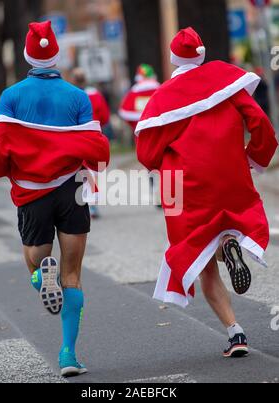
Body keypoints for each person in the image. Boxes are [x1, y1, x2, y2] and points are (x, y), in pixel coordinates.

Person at [136, 27, 278, 358]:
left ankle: (236, 333)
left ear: (173, 59)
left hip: (186, 187)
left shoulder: (163, 98)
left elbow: (146, 155)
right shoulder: (225, 84)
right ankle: (229, 241)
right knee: (229, 221)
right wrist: (254, 157)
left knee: (201, 257)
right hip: (229, 172)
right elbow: (261, 124)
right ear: (201, 54)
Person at [0, 21, 110, 377]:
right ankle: (68, 354)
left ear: (26, 55)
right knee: (73, 275)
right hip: (72, 191)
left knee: (36, 261)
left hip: (31, 194)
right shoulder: (78, 97)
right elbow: (97, 152)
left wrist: (11, 169)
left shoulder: (10, 97)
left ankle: (41, 278)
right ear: (56, 57)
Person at [71, 68, 111, 219]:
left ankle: (85, 202)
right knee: (93, 170)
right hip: (94, 136)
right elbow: (105, 116)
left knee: (81, 170)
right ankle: (92, 205)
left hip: (77, 137)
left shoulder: (71, 95)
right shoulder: (96, 96)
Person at [119, 64, 160, 133]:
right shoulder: (160, 89)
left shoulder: (134, 92)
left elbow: (125, 111)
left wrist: (134, 125)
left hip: (139, 129)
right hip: (159, 126)